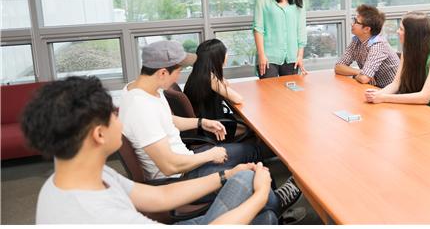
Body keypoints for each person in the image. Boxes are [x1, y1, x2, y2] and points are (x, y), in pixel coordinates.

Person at [20, 76, 278, 224]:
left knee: (245, 179)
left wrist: (225, 176)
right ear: (98, 134)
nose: (121, 122)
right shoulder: (97, 215)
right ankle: (273, 201)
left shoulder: (78, 177)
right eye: (113, 115)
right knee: (264, 213)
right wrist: (260, 193)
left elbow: (161, 198)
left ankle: (269, 201)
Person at [119, 40, 301, 213]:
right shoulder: (140, 107)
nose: (180, 75)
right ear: (163, 73)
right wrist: (210, 154)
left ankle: (273, 204)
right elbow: (169, 166)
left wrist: (201, 122)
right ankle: (277, 203)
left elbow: (169, 120)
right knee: (253, 177)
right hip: (179, 179)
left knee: (253, 151)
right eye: (178, 70)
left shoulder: (142, 89)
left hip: (187, 159)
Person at [364, 11, 430, 115]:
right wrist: (377, 94)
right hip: (414, 109)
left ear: (413, 34)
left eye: (401, 29)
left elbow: (425, 97)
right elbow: (396, 84)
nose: (397, 32)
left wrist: (384, 97)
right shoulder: (407, 51)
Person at [253, 0, 307, 79]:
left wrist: (300, 56)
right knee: (269, 94)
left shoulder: (298, 1)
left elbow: (301, 30)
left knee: (291, 95)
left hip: (292, 57)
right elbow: (258, 29)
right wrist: (261, 55)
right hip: (268, 57)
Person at [183, 38, 246, 140]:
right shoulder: (210, 78)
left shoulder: (199, 74)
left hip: (208, 121)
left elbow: (226, 84)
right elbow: (238, 99)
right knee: (255, 128)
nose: (227, 55)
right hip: (211, 129)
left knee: (244, 121)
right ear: (217, 57)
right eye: (225, 53)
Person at [335, 4, 400, 87]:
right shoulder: (356, 40)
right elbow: (338, 67)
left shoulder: (378, 45)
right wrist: (359, 72)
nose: (352, 24)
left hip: (391, 92)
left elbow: (364, 78)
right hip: (373, 89)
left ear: (366, 29)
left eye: (356, 22)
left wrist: (362, 74)